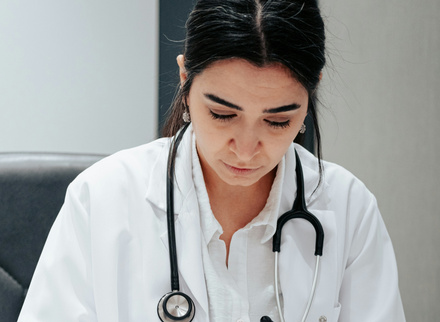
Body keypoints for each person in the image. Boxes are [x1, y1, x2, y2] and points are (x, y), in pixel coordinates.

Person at [18, 0, 405, 321]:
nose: (246, 149)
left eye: (277, 121)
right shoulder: (101, 198)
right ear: (185, 80)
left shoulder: (349, 207)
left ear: (312, 93)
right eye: (223, 114)